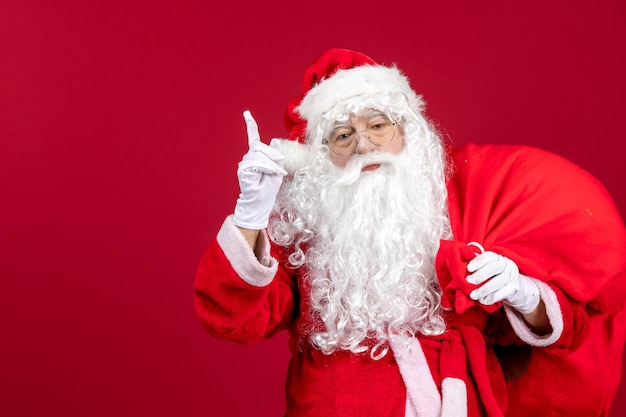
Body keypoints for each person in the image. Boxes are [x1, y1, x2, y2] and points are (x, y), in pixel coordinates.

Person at [194, 48, 626, 416]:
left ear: (408, 133)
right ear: (322, 155)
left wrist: (524, 294)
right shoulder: (306, 234)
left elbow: (552, 333)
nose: (363, 145)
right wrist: (251, 213)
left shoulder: (459, 212)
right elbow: (232, 319)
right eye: (343, 135)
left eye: (377, 126)